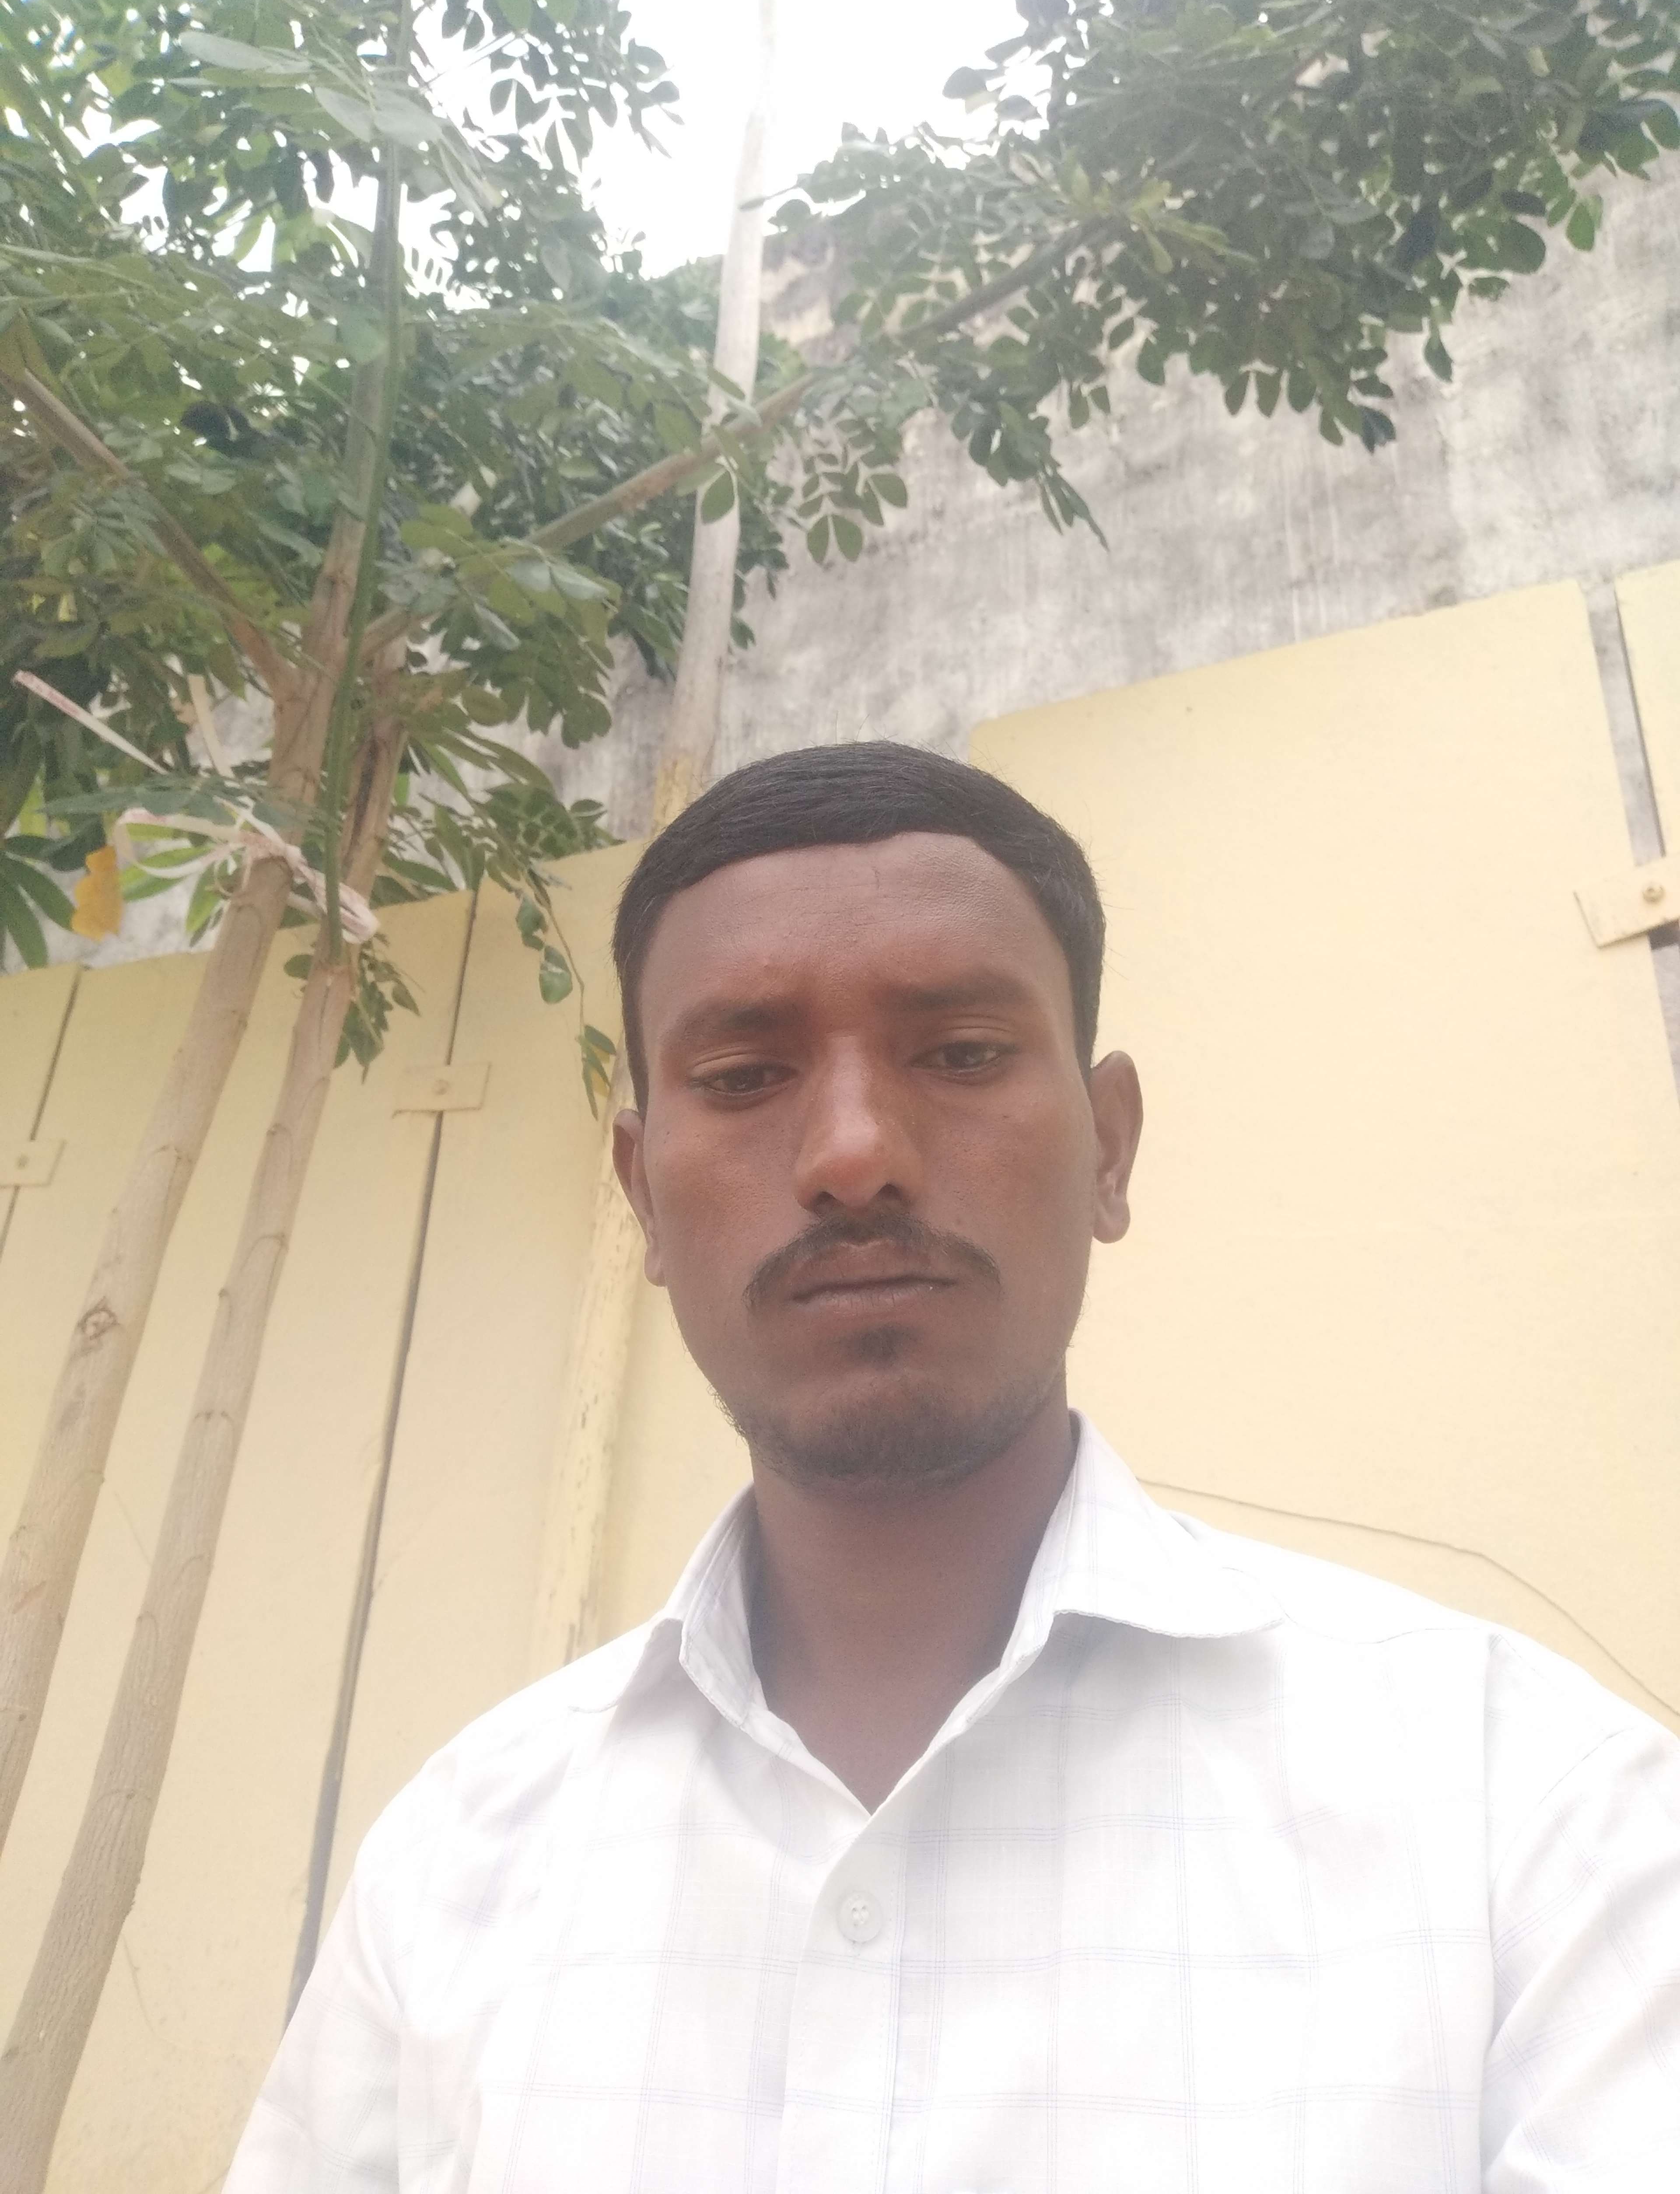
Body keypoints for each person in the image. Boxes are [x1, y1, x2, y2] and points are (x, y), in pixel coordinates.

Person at [228, 742, 1680, 2193]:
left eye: (963, 1053)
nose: (855, 1154)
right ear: (642, 1197)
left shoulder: (1534, 1820)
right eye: (744, 1075)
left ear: (1110, 1150)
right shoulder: (453, 1865)